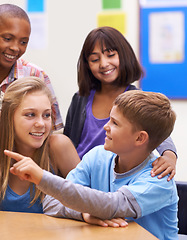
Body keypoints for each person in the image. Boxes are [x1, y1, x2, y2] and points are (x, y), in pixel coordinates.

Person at [7, 90, 179, 240]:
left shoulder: (159, 179)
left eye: (115, 123)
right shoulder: (97, 156)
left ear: (140, 138)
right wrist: (84, 214)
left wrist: (41, 177)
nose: (105, 127)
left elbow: (112, 206)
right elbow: (51, 203)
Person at [0, 4, 63, 208]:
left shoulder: (37, 76)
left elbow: (50, 135)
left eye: (23, 41)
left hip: (20, 199)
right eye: (7, 38)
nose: (15, 47)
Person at [64, 26, 177, 181]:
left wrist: (169, 156)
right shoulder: (80, 98)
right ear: (87, 65)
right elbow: (68, 142)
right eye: (95, 59)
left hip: (114, 175)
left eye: (110, 55)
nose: (103, 64)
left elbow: (159, 132)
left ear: (123, 55)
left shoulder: (135, 98)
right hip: (78, 172)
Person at [0, 77, 79, 213]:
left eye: (46, 115)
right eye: (30, 115)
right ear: (9, 117)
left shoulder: (58, 146)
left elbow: (88, 202)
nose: (41, 123)